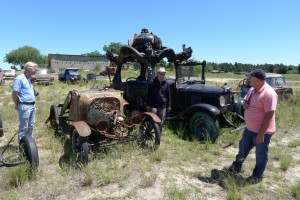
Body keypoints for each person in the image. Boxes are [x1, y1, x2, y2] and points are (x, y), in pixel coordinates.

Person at [227, 69, 278, 183]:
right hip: (249, 129)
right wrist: (244, 104)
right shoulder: (252, 89)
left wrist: (261, 133)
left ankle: (257, 176)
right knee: (242, 149)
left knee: (260, 155)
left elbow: (270, 114)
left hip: (262, 132)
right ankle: (236, 166)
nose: (249, 80)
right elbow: (246, 101)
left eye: (251, 79)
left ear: (258, 81)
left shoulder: (269, 93)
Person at [12, 61, 38, 144]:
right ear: (29, 69)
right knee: (23, 128)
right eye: (35, 68)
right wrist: (17, 104)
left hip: (32, 106)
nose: (36, 70)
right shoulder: (19, 79)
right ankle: (22, 147)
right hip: (24, 106)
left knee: (31, 126)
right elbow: (14, 93)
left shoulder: (29, 78)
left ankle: (30, 146)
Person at [146, 67, 171, 131]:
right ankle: (148, 133)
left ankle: (159, 136)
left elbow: (168, 96)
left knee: (161, 121)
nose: (162, 76)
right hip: (153, 105)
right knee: (152, 121)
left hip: (162, 106)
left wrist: (169, 106)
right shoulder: (152, 82)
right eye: (161, 74)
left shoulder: (166, 83)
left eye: (163, 74)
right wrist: (148, 105)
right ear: (157, 74)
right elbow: (148, 94)